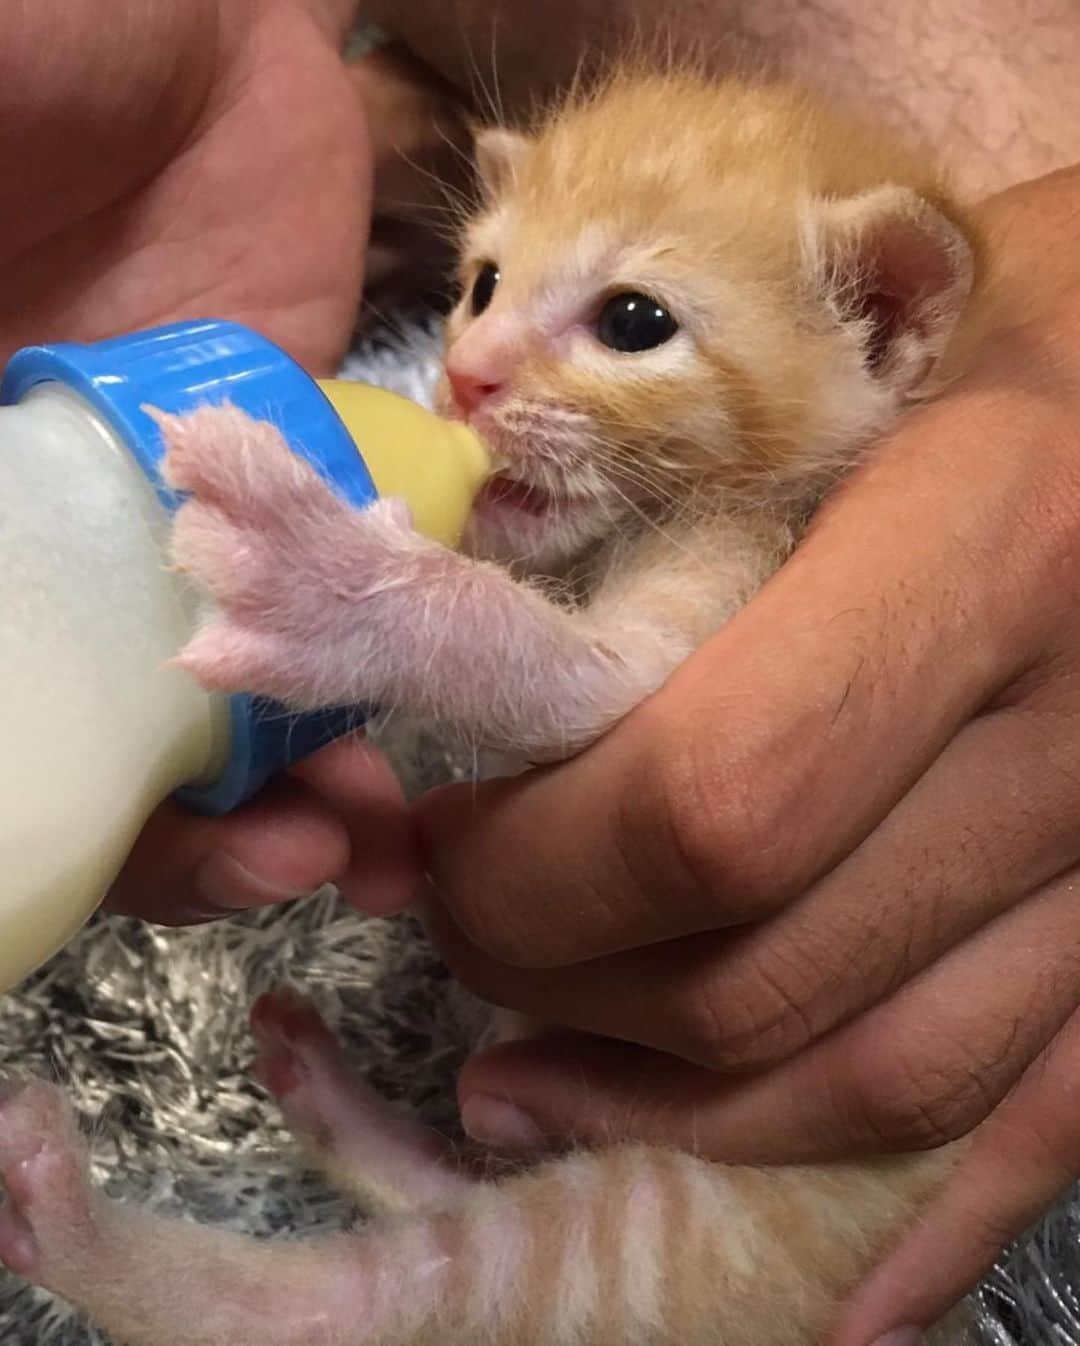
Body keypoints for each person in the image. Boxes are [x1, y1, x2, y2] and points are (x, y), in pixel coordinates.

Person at [5, 4, 1080, 1344]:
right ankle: (426, 1181)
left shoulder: (756, 529)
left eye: (629, 319)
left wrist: (381, 597)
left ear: (882, 317)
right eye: (484, 282)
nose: (470, 362)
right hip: (621, 1062)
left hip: (799, 1179)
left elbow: (594, 675)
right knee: (550, 1157)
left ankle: (242, 1293)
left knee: (558, 1262)